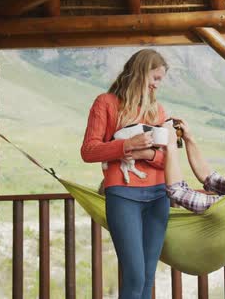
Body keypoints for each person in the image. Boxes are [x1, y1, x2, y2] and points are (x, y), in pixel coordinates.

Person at [81, 49, 169, 299]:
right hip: (123, 195)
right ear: (140, 73)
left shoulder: (158, 111)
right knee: (135, 276)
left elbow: (166, 160)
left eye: (160, 80)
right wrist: (127, 146)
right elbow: (88, 150)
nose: (157, 85)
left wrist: (147, 155)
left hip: (159, 197)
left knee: (148, 276)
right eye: (155, 78)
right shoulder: (105, 103)